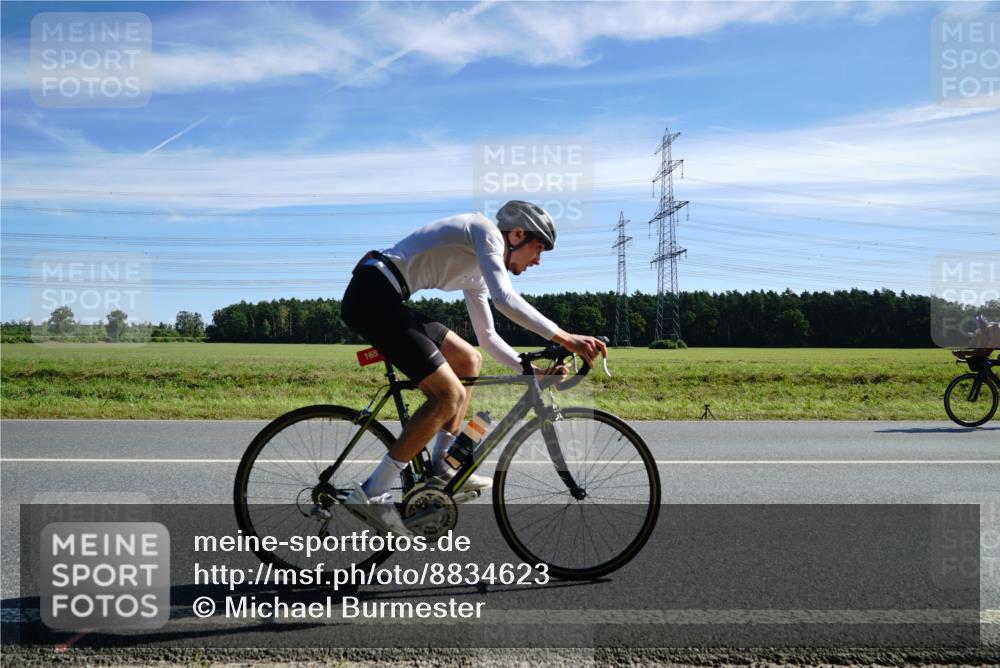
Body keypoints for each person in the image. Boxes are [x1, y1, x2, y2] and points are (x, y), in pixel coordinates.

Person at [339, 200, 607, 535]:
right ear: (518, 234)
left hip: (386, 297)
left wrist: (532, 374)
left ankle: (441, 466)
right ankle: (373, 491)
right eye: (537, 249)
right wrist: (567, 338)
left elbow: (488, 336)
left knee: (469, 360)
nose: (537, 260)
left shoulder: (479, 270)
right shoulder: (485, 233)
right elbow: (505, 299)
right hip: (372, 296)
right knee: (447, 396)